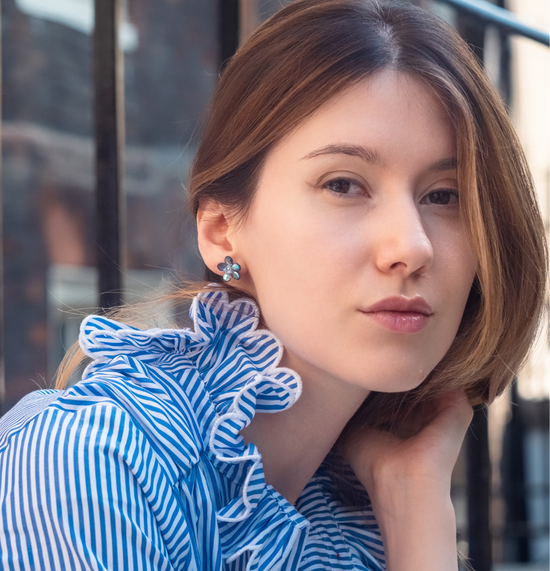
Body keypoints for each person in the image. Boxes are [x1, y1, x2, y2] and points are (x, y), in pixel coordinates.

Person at [0, 0, 547, 569]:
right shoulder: (91, 464)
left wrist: (415, 508)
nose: (412, 246)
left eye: (444, 195)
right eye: (343, 184)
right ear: (221, 233)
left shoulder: (363, 516)